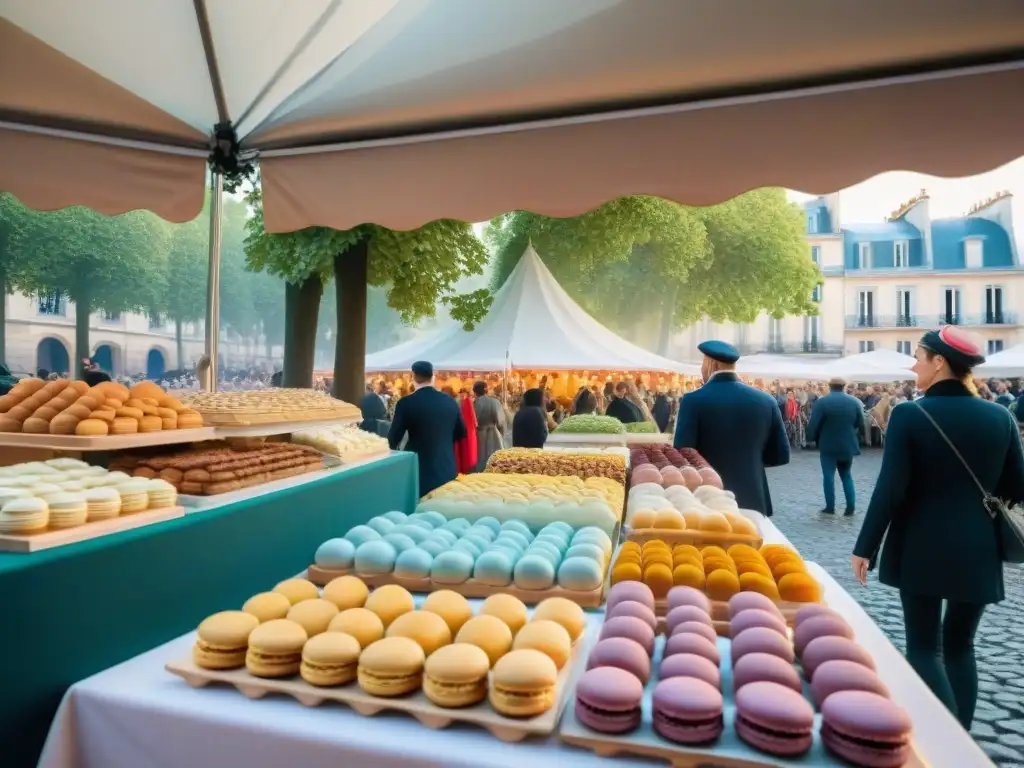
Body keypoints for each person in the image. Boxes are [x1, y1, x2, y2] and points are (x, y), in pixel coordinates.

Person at [851, 326, 1024, 729]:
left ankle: (945, 743)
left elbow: (890, 488)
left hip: (922, 543)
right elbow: (1016, 488)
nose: (914, 366)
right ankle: (962, 740)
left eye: (918, 356)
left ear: (940, 362)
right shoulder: (999, 416)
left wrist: (866, 547)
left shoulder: (911, 414)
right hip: (979, 545)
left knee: (925, 647)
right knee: (961, 645)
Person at [673, 340, 790, 516]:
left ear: (712, 364)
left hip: (707, 499)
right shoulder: (766, 401)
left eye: (703, 364)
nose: (702, 369)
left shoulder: (693, 400)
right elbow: (780, 455)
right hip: (753, 497)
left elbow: (683, 453)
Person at [388, 361, 466, 497]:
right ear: (433, 377)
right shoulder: (450, 402)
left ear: (413, 377)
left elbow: (393, 439)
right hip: (446, 468)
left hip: (417, 470)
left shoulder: (406, 403)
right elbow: (461, 432)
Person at [807, 377, 864, 515]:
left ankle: (830, 507)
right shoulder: (854, 402)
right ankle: (850, 507)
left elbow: (814, 423)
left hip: (828, 445)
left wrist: (811, 438)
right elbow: (860, 423)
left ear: (830, 386)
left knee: (828, 477)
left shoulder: (822, 402)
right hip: (847, 445)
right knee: (846, 476)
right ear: (844, 387)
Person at [473, 381, 506, 472]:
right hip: (493, 432)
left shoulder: (474, 404)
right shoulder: (494, 401)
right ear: (486, 390)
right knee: (494, 458)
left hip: (478, 434)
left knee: (480, 456)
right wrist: (502, 434)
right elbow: (501, 421)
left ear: (474, 391)